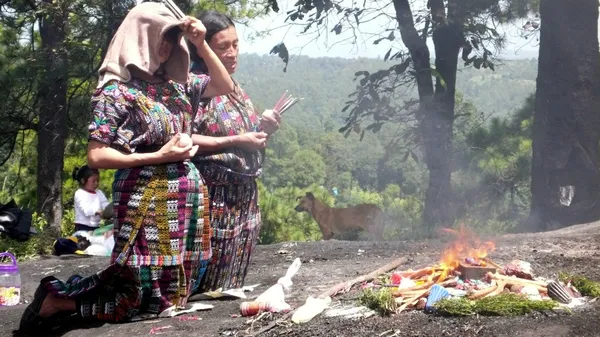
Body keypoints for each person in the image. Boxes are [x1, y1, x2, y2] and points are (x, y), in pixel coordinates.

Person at [18, 3, 234, 332]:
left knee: (173, 293)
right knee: (135, 292)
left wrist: (201, 43)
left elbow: (224, 85)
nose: (167, 47)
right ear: (140, 36)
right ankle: (58, 302)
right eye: (162, 37)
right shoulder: (117, 91)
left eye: (173, 39)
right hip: (144, 197)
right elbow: (97, 155)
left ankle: (68, 301)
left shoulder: (179, 86)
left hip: (184, 199)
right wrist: (156, 156)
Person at [186, 11, 281, 294]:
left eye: (235, 44)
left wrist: (265, 129)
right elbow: (181, 137)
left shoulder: (235, 87)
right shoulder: (194, 84)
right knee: (206, 290)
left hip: (244, 202)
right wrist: (238, 139)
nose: (232, 53)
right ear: (202, 49)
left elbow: (247, 136)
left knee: (230, 289)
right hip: (215, 201)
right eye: (222, 47)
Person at [72, 165, 110, 232]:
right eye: (93, 181)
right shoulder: (79, 193)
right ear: (83, 181)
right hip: (82, 227)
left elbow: (105, 204)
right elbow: (85, 209)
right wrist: (97, 212)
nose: (96, 183)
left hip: (96, 227)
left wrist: (109, 211)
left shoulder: (99, 193)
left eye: (98, 181)